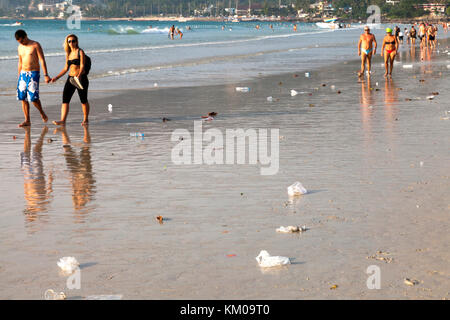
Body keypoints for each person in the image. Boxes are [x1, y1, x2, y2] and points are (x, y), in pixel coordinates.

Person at [51, 34, 90, 126]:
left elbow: (82, 66)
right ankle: (62, 120)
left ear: (76, 42)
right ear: (67, 43)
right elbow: (65, 68)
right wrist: (56, 77)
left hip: (81, 79)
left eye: (73, 41)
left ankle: (85, 119)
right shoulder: (68, 54)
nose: (71, 43)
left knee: (83, 100)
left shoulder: (80, 52)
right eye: (69, 41)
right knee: (65, 100)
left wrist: (79, 75)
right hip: (70, 79)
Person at [15, 30, 49, 127]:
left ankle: (42, 113)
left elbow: (42, 60)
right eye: (19, 42)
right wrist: (19, 76)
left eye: (22, 41)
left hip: (33, 73)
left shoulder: (35, 45)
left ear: (25, 36)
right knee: (23, 98)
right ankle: (27, 120)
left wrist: (46, 75)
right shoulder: (20, 47)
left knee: (33, 99)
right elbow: (20, 62)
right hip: (23, 74)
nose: (21, 43)